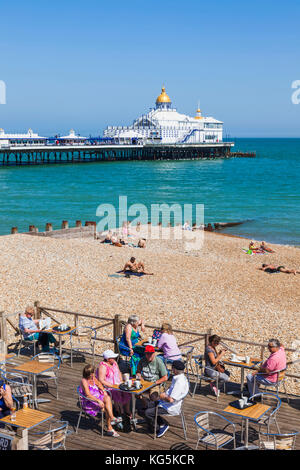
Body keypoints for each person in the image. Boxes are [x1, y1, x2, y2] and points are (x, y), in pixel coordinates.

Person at [145, 360, 189, 437]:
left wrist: (162, 396)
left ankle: (158, 428)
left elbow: (171, 400)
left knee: (148, 413)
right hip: (170, 403)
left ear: (174, 369)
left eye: (172, 368)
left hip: (171, 407)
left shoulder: (179, 382)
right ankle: (162, 423)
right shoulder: (182, 377)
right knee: (149, 405)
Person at [79, 364, 121, 437]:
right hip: (89, 401)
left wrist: (103, 391)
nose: (94, 374)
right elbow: (88, 395)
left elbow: (99, 385)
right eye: (93, 372)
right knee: (106, 407)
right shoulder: (84, 381)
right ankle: (109, 427)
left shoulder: (93, 378)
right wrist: (98, 401)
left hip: (98, 397)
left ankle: (112, 418)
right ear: (90, 374)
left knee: (107, 398)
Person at [97, 350, 131, 417]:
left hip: (117, 383)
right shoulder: (103, 367)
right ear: (108, 359)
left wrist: (121, 381)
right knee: (116, 392)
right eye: (113, 357)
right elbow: (101, 380)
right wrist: (112, 386)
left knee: (127, 391)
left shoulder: (114, 363)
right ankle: (120, 412)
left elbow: (119, 372)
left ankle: (127, 410)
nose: (115, 358)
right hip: (108, 386)